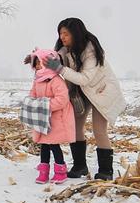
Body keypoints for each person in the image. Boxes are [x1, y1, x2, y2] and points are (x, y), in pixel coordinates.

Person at [43, 18, 126, 181]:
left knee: (99, 129)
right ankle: (80, 166)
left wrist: (59, 68)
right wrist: (47, 58)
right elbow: (58, 56)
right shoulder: (66, 49)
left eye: (66, 33)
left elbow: (84, 79)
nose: (62, 37)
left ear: (76, 33)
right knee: (75, 126)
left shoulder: (91, 51)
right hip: (83, 93)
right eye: (60, 33)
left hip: (102, 93)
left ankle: (106, 171)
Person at [24, 48, 75, 184]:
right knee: (44, 145)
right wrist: (32, 103)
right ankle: (43, 171)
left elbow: (62, 99)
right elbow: (33, 94)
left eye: (39, 63)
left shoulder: (56, 80)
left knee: (53, 145)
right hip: (42, 119)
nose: (37, 67)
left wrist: (46, 105)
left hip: (56, 119)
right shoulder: (37, 81)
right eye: (35, 64)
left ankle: (60, 171)